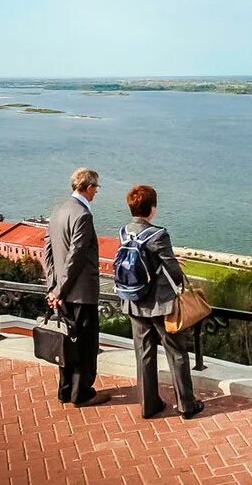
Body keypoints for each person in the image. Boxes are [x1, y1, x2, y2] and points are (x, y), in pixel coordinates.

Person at [120, 184, 204, 420]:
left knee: (144, 353)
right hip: (161, 304)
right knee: (176, 352)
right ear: (152, 208)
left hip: (134, 301)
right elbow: (174, 273)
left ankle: (148, 405)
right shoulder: (158, 234)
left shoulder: (124, 232)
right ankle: (186, 404)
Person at [43, 167, 109, 407]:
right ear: (89, 187)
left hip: (61, 292)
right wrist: (61, 289)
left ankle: (65, 389)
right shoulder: (83, 215)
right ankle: (82, 393)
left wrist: (54, 287)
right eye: (96, 188)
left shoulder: (58, 210)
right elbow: (76, 256)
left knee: (67, 343)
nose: (96, 193)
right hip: (81, 293)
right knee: (85, 343)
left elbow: (48, 251)